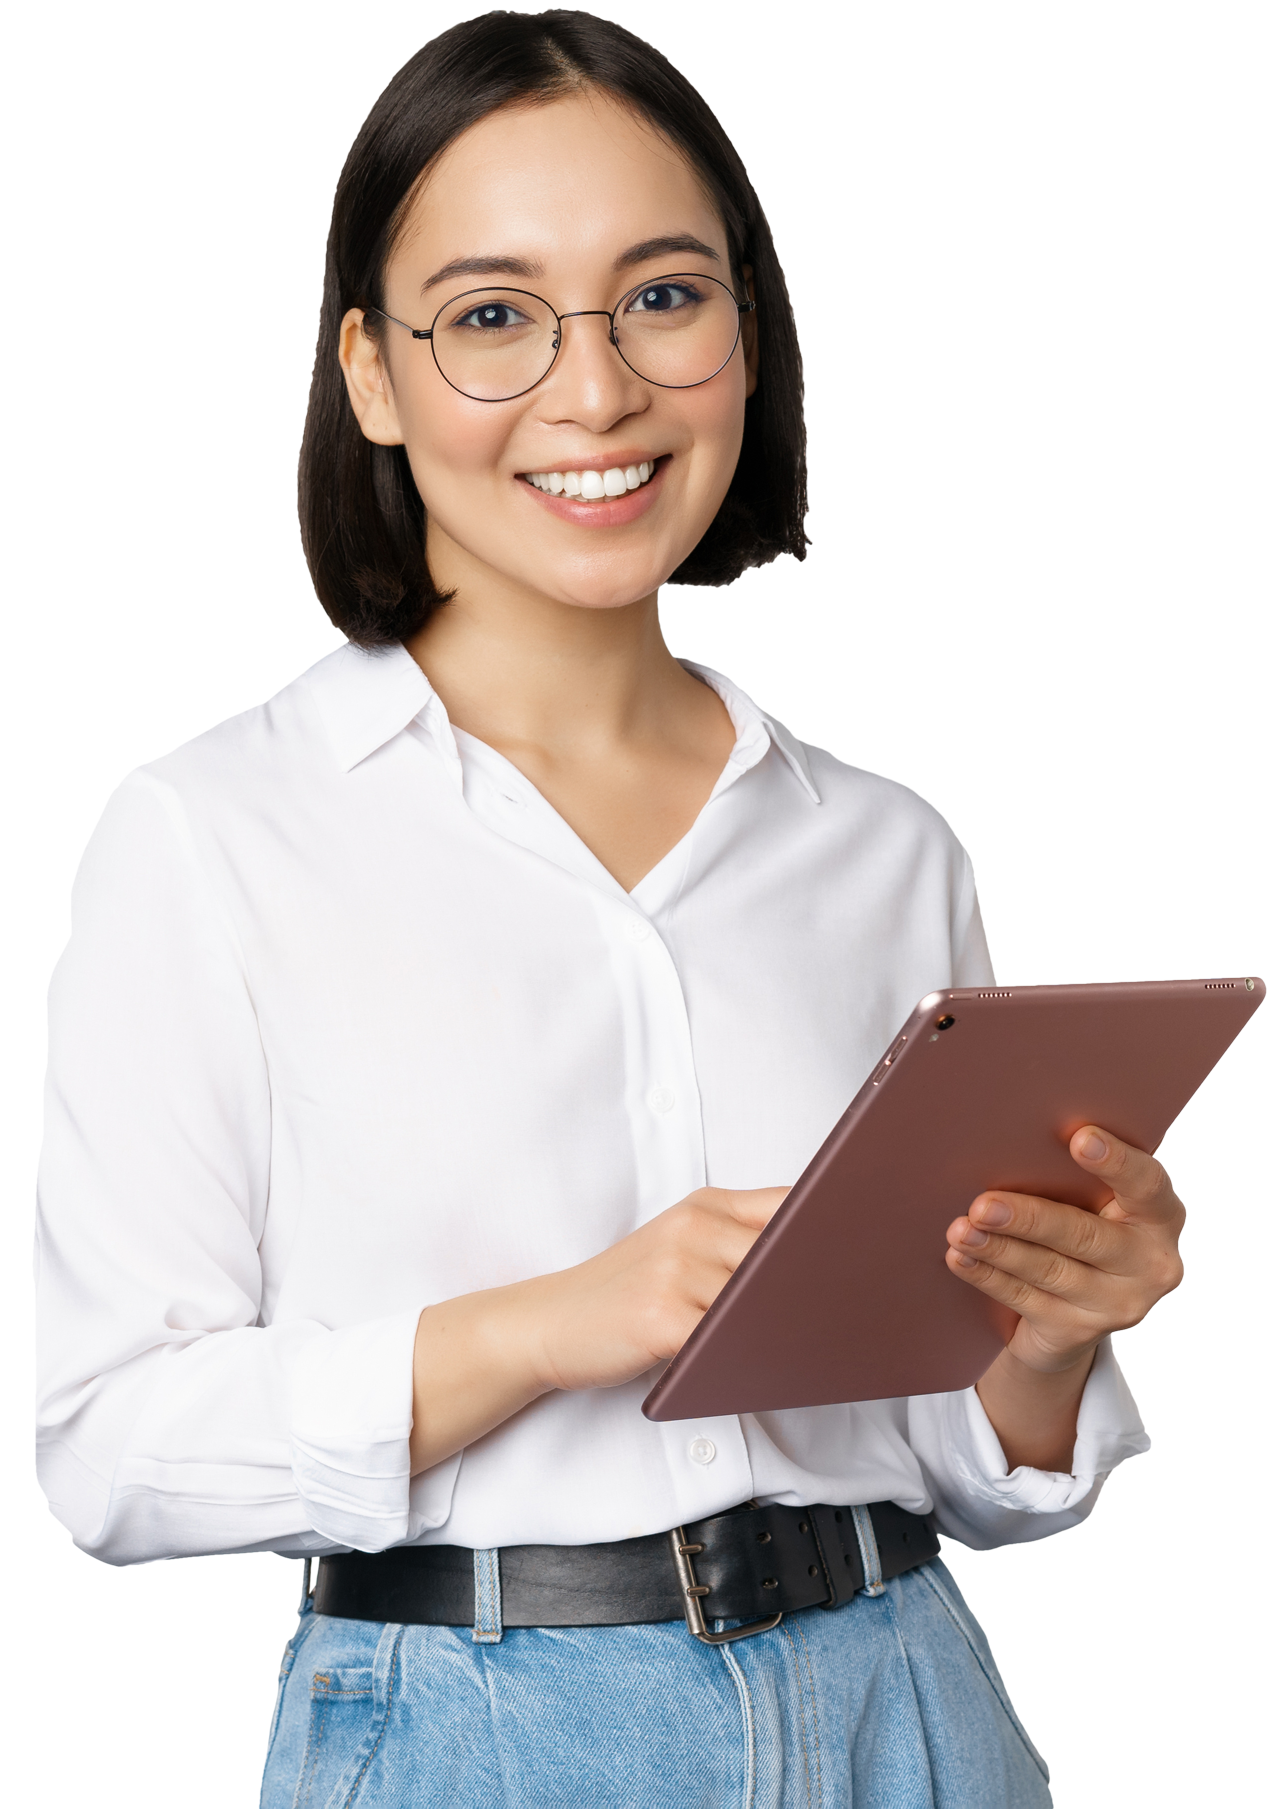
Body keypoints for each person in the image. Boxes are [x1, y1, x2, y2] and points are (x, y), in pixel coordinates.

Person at [34, 14, 1184, 1805]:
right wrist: (554, 1324)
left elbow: (956, 1464)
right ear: (372, 373)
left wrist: (1046, 1338)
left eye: (664, 295)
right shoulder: (209, 841)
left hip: (910, 1704)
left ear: (747, 329)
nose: (596, 394)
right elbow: (110, 1456)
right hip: (476, 1733)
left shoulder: (887, 851)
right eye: (493, 316)